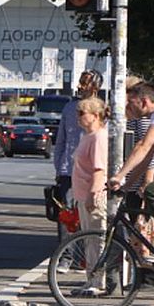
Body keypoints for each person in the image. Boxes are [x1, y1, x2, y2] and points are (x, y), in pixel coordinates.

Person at [109, 82, 154, 264]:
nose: (128, 107)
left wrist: (119, 176)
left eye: (131, 103)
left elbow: (143, 147)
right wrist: (126, 186)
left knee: (153, 191)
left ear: (143, 102)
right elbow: (145, 159)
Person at [53, 69, 103, 237]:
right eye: (81, 81)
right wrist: (59, 166)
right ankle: (66, 255)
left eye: (86, 82)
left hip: (92, 171)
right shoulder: (69, 108)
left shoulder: (102, 109)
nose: (81, 85)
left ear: (95, 86)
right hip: (68, 170)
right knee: (67, 213)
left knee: (89, 214)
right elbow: (61, 140)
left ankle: (85, 254)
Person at [71, 95, 109, 294]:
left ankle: (98, 281)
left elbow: (99, 169)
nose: (78, 117)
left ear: (95, 115)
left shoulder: (98, 137)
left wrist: (92, 195)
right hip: (82, 193)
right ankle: (91, 278)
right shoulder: (87, 136)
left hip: (92, 195)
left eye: (81, 113)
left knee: (96, 238)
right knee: (89, 239)